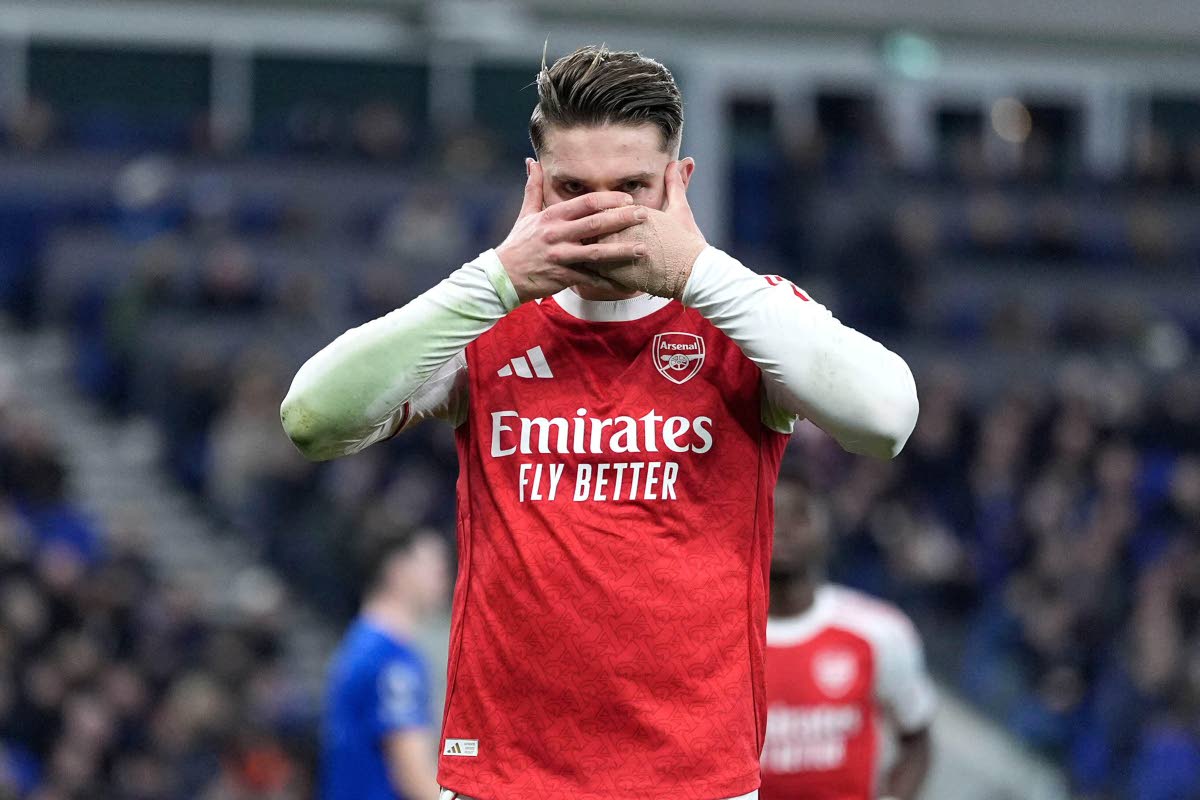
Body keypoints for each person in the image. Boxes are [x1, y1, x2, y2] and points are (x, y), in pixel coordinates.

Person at [283, 45, 919, 800]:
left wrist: (698, 273)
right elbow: (311, 418)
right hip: (501, 784)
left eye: (631, 188)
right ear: (535, 186)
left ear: (679, 184)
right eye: (573, 188)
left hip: (696, 786)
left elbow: (888, 418)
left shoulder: (745, 319)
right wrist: (495, 278)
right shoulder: (484, 321)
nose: (601, 216)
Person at [761, 483, 935, 800]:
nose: (783, 526)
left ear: (826, 529)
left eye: (799, 515)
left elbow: (916, 742)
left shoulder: (878, 631)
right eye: (772, 510)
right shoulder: (715, 634)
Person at [322, 527, 448, 800]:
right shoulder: (392, 662)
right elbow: (414, 778)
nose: (444, 578)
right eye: (433, 567)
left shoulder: (359, 644)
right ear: (397, 569)